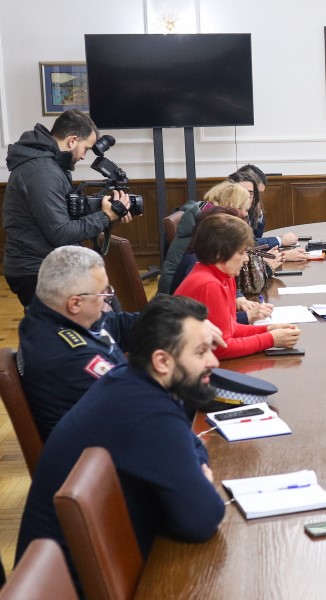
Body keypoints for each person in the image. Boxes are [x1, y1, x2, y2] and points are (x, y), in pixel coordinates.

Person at [15, 295, 226, 579]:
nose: (213, 361)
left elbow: (193, 445)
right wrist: (198, 477)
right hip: (72, 585)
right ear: (162, 360)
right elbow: (202, 518)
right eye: (201, 352)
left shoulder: (131, 379)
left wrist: (194, 465)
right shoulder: (147, 411)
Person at [2, 110, 133, 306]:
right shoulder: (42, 171)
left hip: (48, 263)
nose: (83, 156)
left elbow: (64, 213)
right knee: (105, 308)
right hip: (36, 269)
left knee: (108, 304)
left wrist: (107, 213)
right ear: (72, 141)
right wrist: (105, 217)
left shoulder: (50, 164)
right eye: (86, 149)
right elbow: (61, 232)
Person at [17, 246, 136, 440]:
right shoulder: (72, 357)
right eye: (103, 292)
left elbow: (114, 325)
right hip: (101, 459)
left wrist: (175, 322)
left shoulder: (49, 314)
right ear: (75, 303)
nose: (108, 297)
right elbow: (136, 405)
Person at [174, 213, 300, 359]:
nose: (246, 259)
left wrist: (268, 329)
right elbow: (221, 348)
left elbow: (230, 328)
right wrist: (271, 339)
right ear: (219, 254)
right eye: (241, 253)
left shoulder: (225, 276)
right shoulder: (209, 284)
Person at [159, 181, 254, 294]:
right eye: (246, 209)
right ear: (231, 204)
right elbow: (216, 275)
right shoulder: (211, 229)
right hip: (176, 302)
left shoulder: (204, 217)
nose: (246, 214)